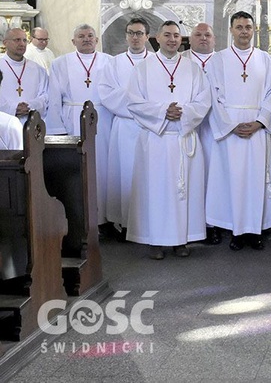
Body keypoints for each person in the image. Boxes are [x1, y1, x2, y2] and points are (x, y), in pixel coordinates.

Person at [126, 21, 211, 259]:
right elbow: (133, 102)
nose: (172, 39)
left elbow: (204, 100)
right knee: (156, 190)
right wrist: (164, 110)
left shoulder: (193, 68)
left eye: (176, 35)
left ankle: (181, 240)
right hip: (156, 139)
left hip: (184, 138)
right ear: (157, 38)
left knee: (183, 191)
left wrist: (183, 112)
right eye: (167, 35)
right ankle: (156, 240)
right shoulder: (143, 68)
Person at [205, 12, 271, 251]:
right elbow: (213, 96)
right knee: (233, 179)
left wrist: (260, 121)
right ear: (231, 30)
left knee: (256, 180)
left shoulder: (265, 59)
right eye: (239, 27)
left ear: (253, 30)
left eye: (248, 27)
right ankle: (236, 231)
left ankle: (255, 231)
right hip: (231, 130)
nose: (244, 31)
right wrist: (230, 125)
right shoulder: (218, 60)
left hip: (257, 127)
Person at [47, 24, 114, 225]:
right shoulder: (60, 63)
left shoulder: (109, 61)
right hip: (72, 119)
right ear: (73, 41)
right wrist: (58, 129)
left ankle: (105, 218)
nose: (86, 39)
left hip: (104, 119)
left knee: (103, 168)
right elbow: (53, 97)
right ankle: (81, 219)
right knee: (80, 169)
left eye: (90, 36)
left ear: (97, 40)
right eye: (81, 36)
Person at [99, 18, 151, 237]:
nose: (135, 37)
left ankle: (150, 222)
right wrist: (138, 104)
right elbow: (106, 93)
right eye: (131, 33)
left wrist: (145, 108)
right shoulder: (114, 63)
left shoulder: (158, 62)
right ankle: (126, 223)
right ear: (126, 36)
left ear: (148, 36)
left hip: (151, 127)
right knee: (125, 174)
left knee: (150, 176)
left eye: (140, 33)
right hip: (125, 126)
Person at [186, 22, 222, 245]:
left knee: (213, 174)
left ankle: (213, 223)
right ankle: (191, 222)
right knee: (191, 175)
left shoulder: (223, 60)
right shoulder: (181, 61)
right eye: (198, 35)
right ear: (189, 39)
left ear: (214, 39)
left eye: (207, 34)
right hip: (190, 126)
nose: (203, 38)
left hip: (215, 126)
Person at [0, 28, 48, 123]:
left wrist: (30, 106)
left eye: (24, 40)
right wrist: (13, 108)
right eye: (17, 40)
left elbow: (46, 95)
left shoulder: (37, 69)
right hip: (4, 124)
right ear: (5, 43)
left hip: (32, 124)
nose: (22, 44)